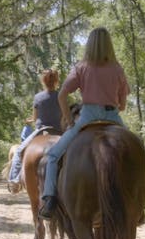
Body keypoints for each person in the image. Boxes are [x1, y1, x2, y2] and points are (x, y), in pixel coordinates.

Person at [38, 27, 129, 220]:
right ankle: (139, 205)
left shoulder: (81, 67)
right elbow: (122, 105)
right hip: (112, 117)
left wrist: (70, 120)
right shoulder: (117, 68)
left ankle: (50, 200)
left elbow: (62, 94)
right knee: (135, 151)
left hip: (87, 117)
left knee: (53, 155)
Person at [7, 69, 62, 189]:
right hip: (58, 131)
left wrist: (30, 120)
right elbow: (63, 115)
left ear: (43, 81)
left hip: (41, 130)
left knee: (19, 151)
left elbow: (36, 117)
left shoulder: (38, 97)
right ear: (57, 81)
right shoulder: (60, 96)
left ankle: (14, 178)